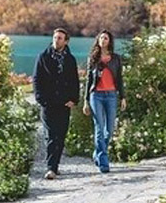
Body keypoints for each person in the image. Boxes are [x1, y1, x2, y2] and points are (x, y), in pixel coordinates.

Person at [33, 28, 80, 180]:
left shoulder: (70, 59)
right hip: (48, 103)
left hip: (64, 103)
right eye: (55, 37)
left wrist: (74, 99)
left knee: (61, 135)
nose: (56, 40)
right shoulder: (43, 57)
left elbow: (75, 81)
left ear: (66, 41)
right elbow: (36, 79)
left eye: (60, 38)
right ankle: (51, 168)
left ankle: (55, 164)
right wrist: (41, 99)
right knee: (51, 134)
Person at [82, 29, 126, 173]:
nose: (103, 40)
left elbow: (119, 79)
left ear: (109, 41)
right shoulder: (93, 58)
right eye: (101, 38)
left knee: (109, 129)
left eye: (106, 38)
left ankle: (97, 153)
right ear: (98, 41)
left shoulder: (116, 59)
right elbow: (88, 80)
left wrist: (123, 97)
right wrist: (86, 101)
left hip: (112, 95)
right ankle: (103, 160)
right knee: (99, 128)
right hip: (96, 96)